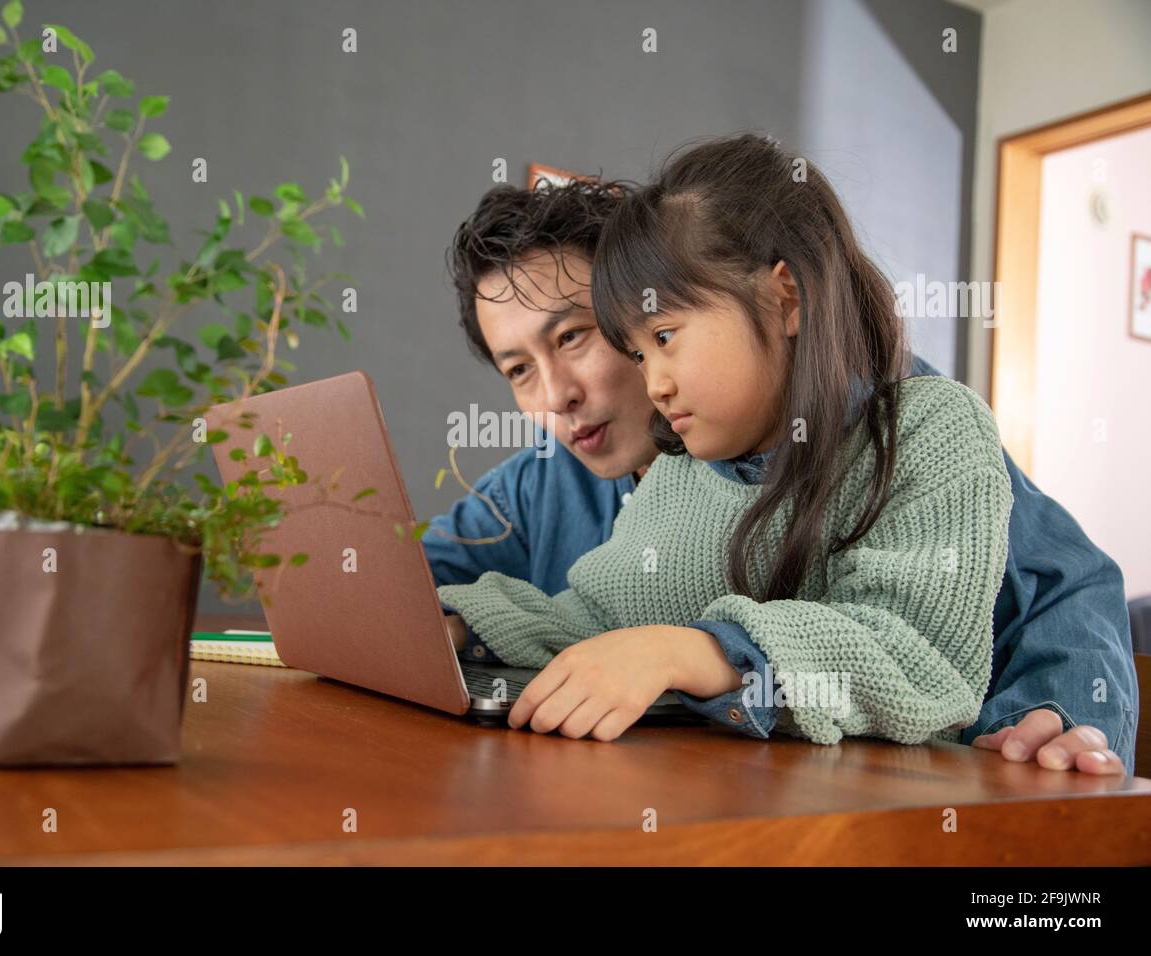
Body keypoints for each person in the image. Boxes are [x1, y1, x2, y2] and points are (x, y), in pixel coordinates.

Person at [426, 141, 1138, 773]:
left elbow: (1036, 595)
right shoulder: (574, 479)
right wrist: (450, 620)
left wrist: (1061, 721)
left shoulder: (907, 421)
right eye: (517, 369)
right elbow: (563, 612)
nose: (556, 395)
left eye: (577, 337)